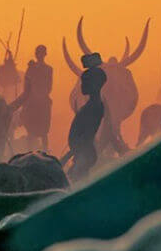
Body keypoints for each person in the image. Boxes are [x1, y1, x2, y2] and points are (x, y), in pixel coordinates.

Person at [63, 52, 107, 182]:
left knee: (78, 177)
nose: (82, 86)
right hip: (82, 151)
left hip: (84, 152)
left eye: (85, 82)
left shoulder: (93, 108)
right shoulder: (95, 106)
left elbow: (86, 136)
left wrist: (68, 156)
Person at [20, 45, 53, 150]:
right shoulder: (33, 68)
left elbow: (48, 87)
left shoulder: (47, 69)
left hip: (39, 103)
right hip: (37, 102)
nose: (38, 55)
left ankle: (43, 151)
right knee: (33, 131)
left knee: (42, 132)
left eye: (40, 53)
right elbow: (27, 85)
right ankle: (33, 152)